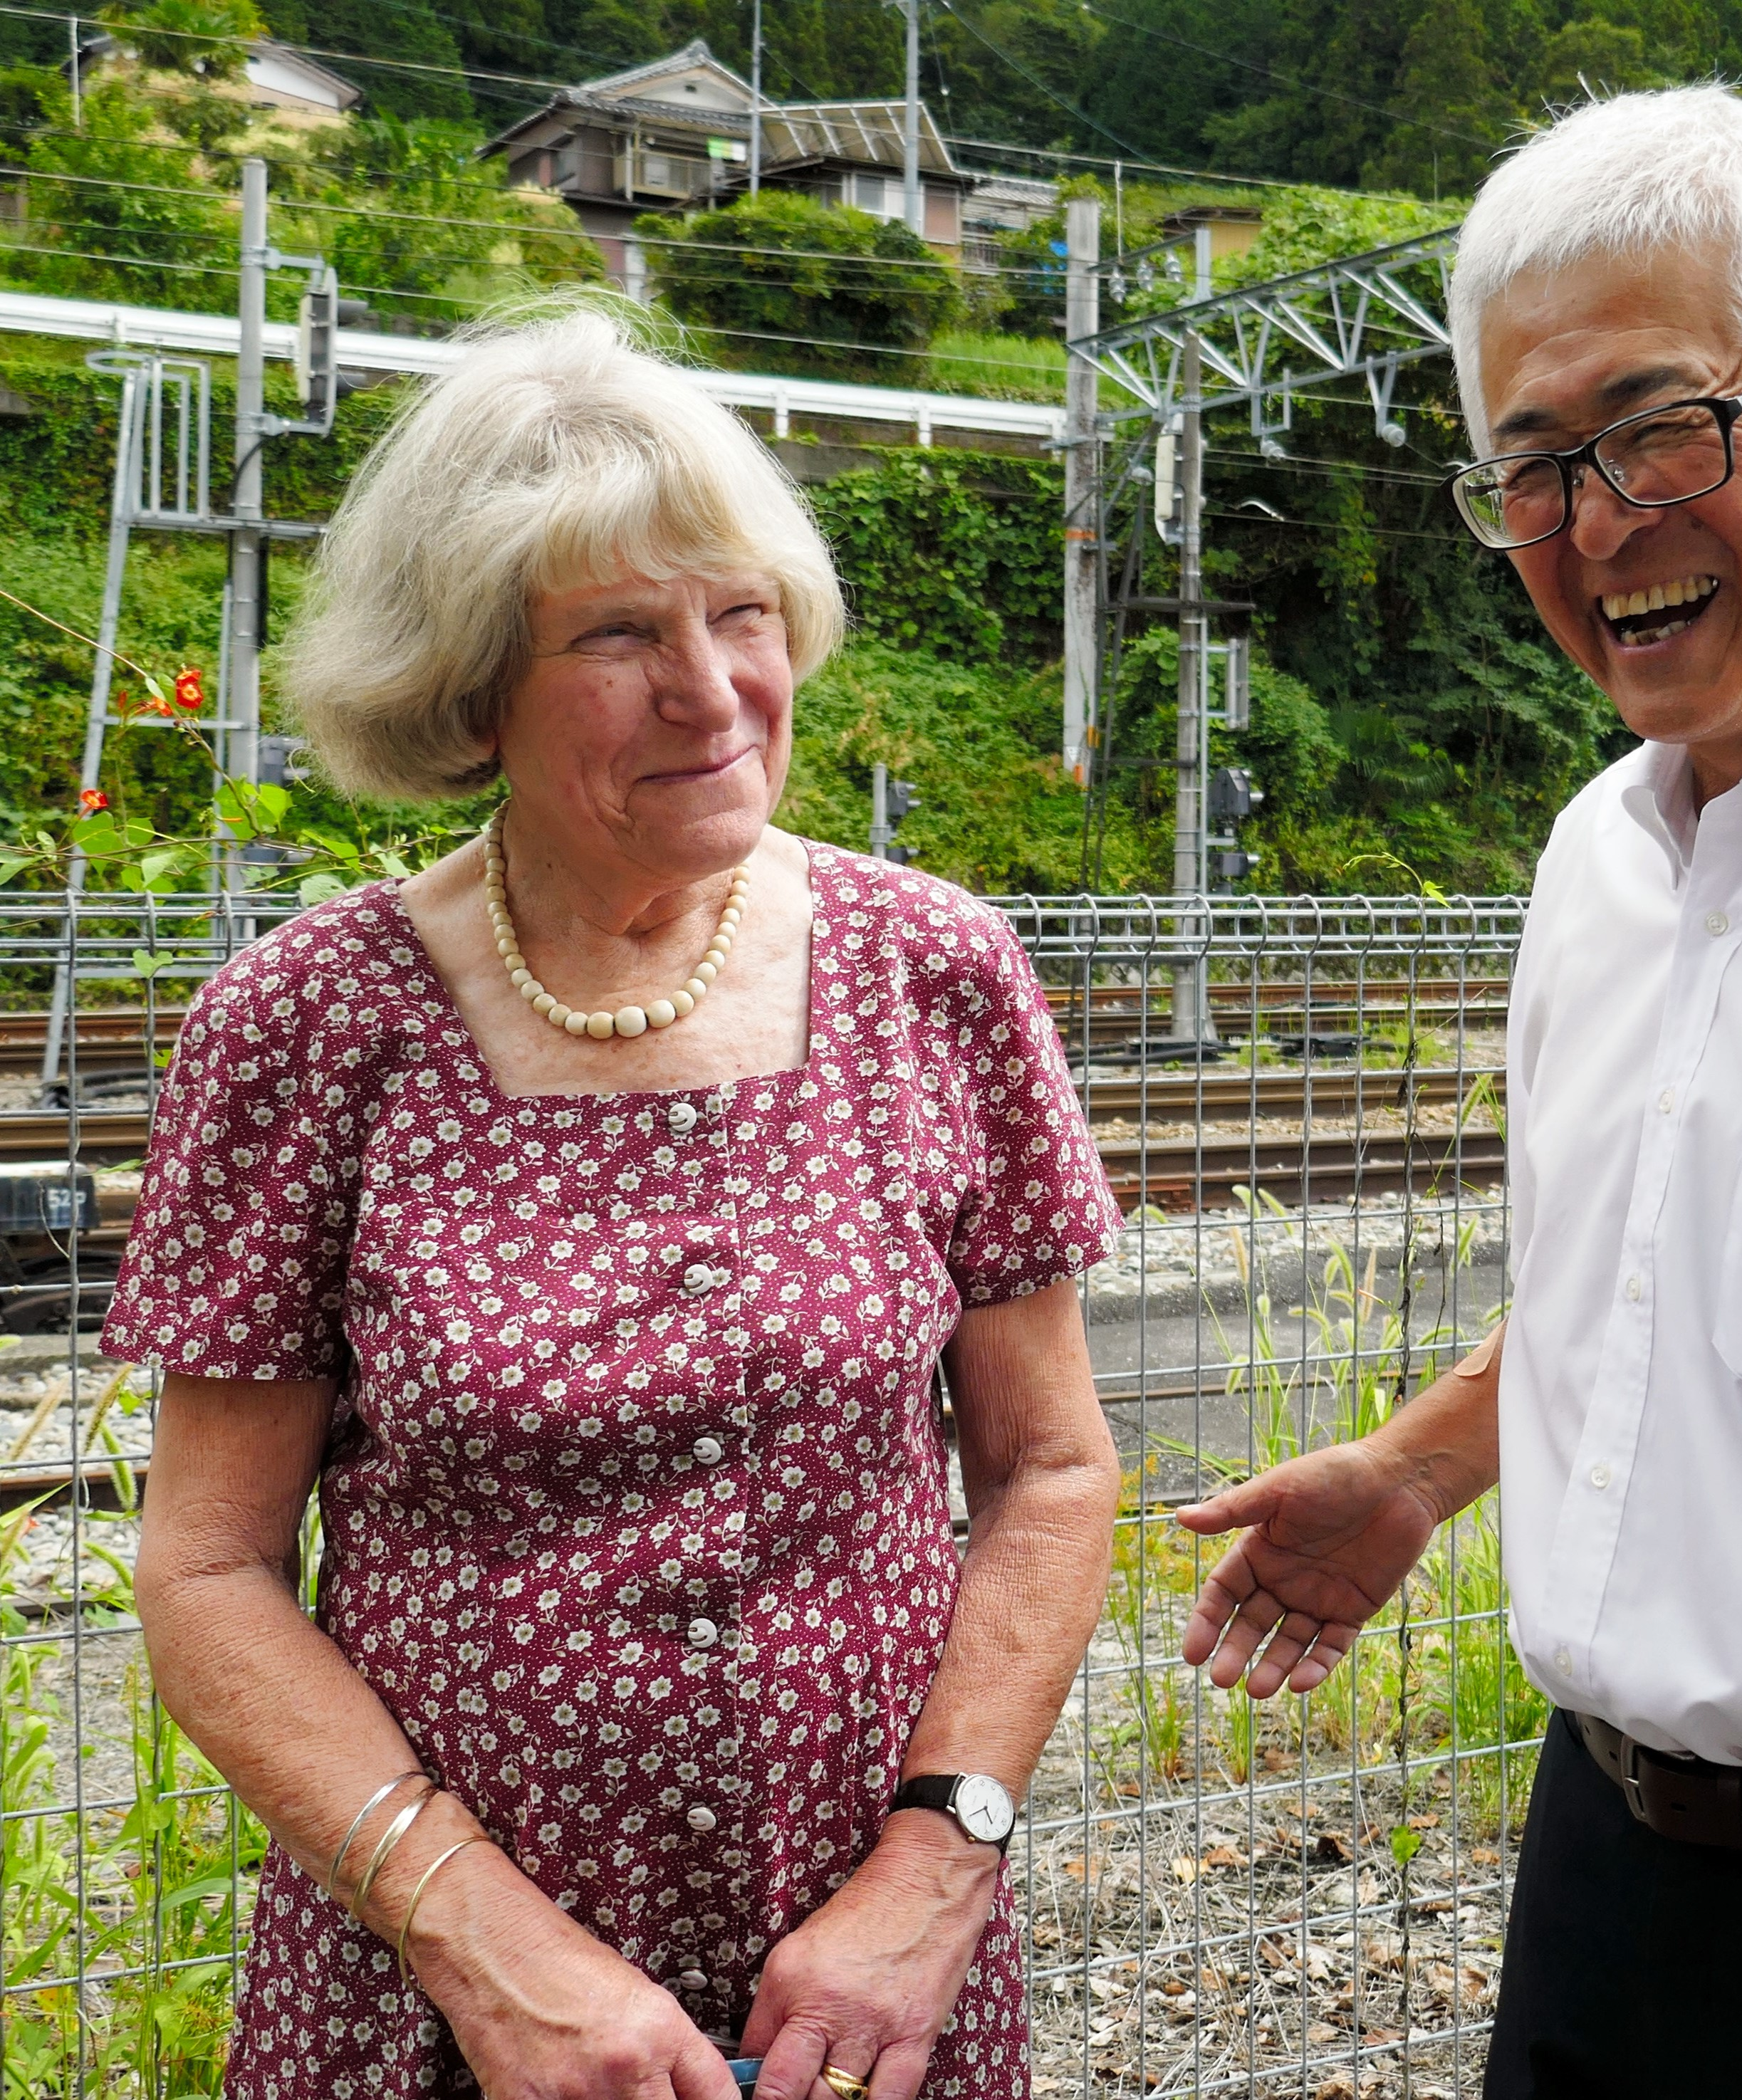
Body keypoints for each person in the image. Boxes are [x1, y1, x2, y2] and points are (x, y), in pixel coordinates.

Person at [1179, 85, 1742, 2100]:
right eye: (1532, 466)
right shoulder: (1601, 852)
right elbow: (1659, 1261)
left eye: (1665, 427)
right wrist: (1419, 1467)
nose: (1600, 521)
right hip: (1602, 1868)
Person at [105, 303, 1125, 2100]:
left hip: (870, 1984)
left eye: (741, 613)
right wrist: (485, 1950)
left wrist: (938, 1863)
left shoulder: (937, 971)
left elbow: (1046, 1468)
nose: (716, 690)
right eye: (620, 636)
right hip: (443, 2002)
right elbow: (203, 1565)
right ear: (469, 684)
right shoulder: (308, 1021)